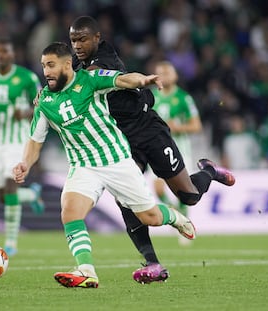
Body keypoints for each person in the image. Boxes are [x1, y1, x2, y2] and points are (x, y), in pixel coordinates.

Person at [13, 42, 196, 289]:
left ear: (67, 64)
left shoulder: (89, 80)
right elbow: (35, 141)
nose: (46, 71)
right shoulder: (45, 101)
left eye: (51, 65)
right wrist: (25, 163)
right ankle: (86, 270)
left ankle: (175, 217)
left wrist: (144, 80)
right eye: (44, 66)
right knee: (70, 212)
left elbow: (122, 80)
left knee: (150, 216)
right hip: (83, 165)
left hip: (116, 160)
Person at [68, 15, 235, 284]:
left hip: (148, 129)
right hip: (120, 139)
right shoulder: (77, 65)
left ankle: (210, 172)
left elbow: (103, 78)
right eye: (73, 40)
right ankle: (153, 263)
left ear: (97, 38)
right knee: (124, 198)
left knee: (188, 196)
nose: (77, 45)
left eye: (83, 39)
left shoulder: (104, 58)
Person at [0, 38, 45, 257]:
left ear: (12, 54)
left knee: (12, 187)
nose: (1, 55)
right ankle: (31, 195)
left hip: (17, 140)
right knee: (2, 195)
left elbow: (42, 102)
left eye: (5, 51)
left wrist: (25, 113)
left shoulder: (26, 77)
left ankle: (11, 242)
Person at [152, 61, 203, 245]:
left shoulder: (183, 98)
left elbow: (196, 125)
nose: (164, 76)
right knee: (157, 188)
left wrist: (178, 127)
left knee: (183, 191)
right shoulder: (152, 97)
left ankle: (185, 225)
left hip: (179, 148)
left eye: (167, 72)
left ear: (175, 76)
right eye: (160, 73)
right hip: (156, 147)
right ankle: (175, 215)